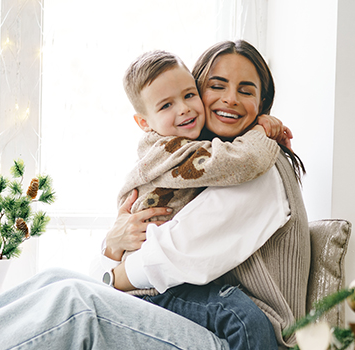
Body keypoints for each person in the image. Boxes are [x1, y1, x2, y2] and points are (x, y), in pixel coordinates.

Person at [0, 39, 308, 350]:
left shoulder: (256, 169)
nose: (230, 99)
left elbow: (174, 255)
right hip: (201, 318)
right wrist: (112, 248)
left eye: (246, 90)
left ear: (263, 102)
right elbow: (142, 242)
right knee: (53, 279)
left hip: (242, 337)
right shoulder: (200, 163)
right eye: (215, 86)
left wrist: (111, 273)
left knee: (75, 303)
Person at [95, 49, 285, 350]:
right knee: (237, 313)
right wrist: (261, 133)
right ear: (144, 122)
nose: (184, 109)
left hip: (149, 280)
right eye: (217, 86)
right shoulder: (172, 151)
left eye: (188, 95)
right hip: (152, 289)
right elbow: (240, 161)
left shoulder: (206, 150)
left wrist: (109, 268)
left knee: (239, 312)